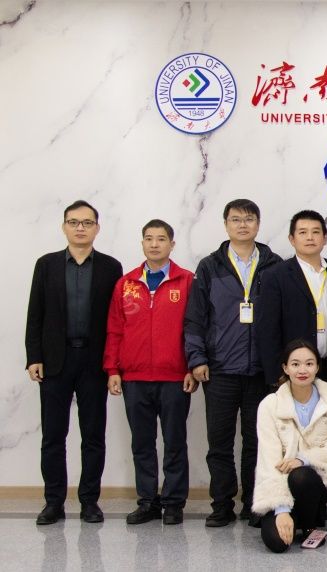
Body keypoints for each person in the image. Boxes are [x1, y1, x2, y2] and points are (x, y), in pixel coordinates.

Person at [185, 198, 283, 527]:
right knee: (220, 443)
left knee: (258, 443)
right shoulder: (209, 266)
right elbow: (195, 319)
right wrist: (197, 359)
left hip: (261, 372)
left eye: (249, 219)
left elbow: (283, 318)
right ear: (226, 224)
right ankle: (221, 505)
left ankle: (255, 504)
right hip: (220, 370)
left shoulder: (274, 265)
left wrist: (280, 366)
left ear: (258, 224)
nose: (243, 225)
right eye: (236, 219)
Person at [26, 200, 122, 525]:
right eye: (74, 222)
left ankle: (89, 501)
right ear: (64, 227)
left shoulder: (111, 267)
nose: (80, 228)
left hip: (94, 362)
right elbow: (35, 313)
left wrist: (114, 365)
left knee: (93, 436)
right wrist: (34, 357)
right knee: (53, 436)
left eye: (87, 222)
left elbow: (116, 320)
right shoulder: (46, 265)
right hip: (55, 360)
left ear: (97, 228)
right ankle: (53, 502)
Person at [103, 219, 196, 525]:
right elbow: (115, 329)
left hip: (175, 378)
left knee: (174, 442)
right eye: (149, 238)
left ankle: (173, 503)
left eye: (161, 239)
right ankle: (147, 502)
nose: (155, 244)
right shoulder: (126, 283)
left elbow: (194, 329)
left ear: (172, 244)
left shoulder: (186, 281)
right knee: (142, 444)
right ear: (142, 243)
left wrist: (191, 367)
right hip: (134, 378)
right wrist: (113, 369)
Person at [257, 209, 327, 520]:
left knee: (323, 436)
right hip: (293, 373)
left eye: (315, 232)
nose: (310, 237)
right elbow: (267, 329)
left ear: (325, 237)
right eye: (303, 232)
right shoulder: (276, 276)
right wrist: (277, 374)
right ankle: (277, 503)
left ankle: (318, 500)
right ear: (292, 238)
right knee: (290, 438)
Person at [253, 339, 327, 553]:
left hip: (316, 482)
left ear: (317, 367)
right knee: (277, 544)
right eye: (295, 364)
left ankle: (309, 525)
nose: (302, 370)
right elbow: (268, 460)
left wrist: (303, 460)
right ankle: (291, 516)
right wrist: (281, 509)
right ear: (285, 368)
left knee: (302, 475)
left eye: (309, 363)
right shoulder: (270, 405)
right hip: (279, 485)